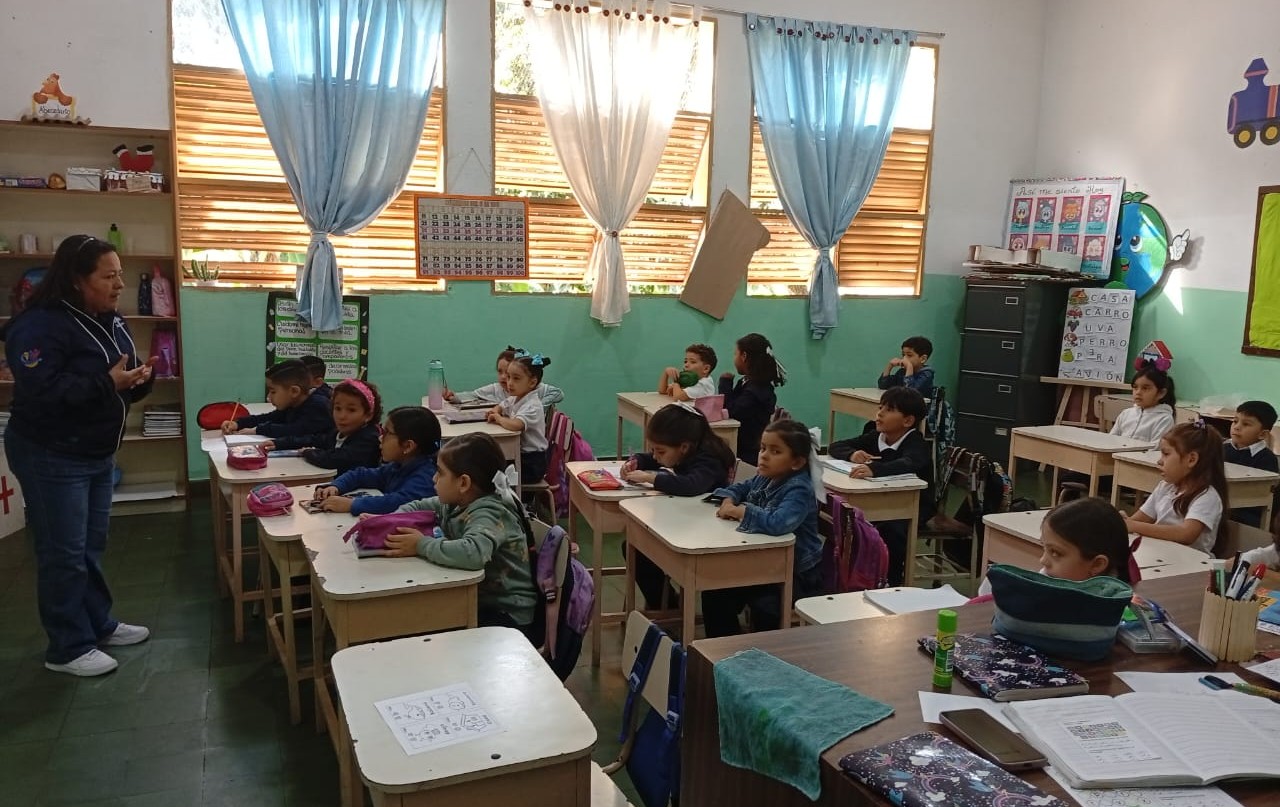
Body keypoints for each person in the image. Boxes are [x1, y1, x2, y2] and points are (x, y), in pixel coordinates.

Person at [0, 234, 155, 676]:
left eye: (120, 275)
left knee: (89, 546)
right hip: (51, 454)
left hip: (96, 452)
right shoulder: (38, 326)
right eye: (108, 276)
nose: (119, 284)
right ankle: (67, 648)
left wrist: (138, 380)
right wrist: (110, 384)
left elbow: (117, 376)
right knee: (62, 553)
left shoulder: (110, 318)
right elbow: (44, 392)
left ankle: (97, 625)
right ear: (75, 279)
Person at [384, 433, 539, 636]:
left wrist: (421, 545)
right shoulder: (456, 502)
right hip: (478, 599)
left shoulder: (489, 512)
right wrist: (388, 522)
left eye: (440, 473)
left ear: (463, 483)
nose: (434, 478)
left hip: (507, 615)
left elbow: (473, 553)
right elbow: (416, 507)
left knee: (423, 625)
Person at [701, 419, 823, 637]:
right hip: (763, 565)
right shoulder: (765, 477)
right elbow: (739, 488)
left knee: (765, 606)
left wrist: (740, 511)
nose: (764, 456)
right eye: (763, 448)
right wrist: (728, 500)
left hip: (795, 574)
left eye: (775, 451)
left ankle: (764, 650)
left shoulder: (799, 489)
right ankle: (724, 649)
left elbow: (778, 523)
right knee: (714, 591)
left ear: (796, 462)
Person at [621, 403, 736, 608]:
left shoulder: (709, 459)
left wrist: (650, 478)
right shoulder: (686, 449)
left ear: (684, 447)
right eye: (653, 450)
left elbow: (691, 485)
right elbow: (657, 460)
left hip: (708, 533)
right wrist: (637, 461)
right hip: (687, 523)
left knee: (639, 548)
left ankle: (665, 607)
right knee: (634, 545)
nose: (655, 456)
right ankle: (664, 605)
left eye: (660, 451)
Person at [828, 387, 933, 586]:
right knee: (849, 522)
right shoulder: (876, 436)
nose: (880, 413)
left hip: (913, 506)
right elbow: (836, 446)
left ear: (907, 421)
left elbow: (909, 462)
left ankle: (890, 581)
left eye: (889, 410)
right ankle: (851, 575)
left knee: (891, 531)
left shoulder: (916, 443)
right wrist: (852, 454)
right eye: (880, 407)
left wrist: (875, 469)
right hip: (880, 499)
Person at [974, 497, 1137, 600]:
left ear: (1097, 564)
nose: (1043, 560)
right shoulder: (1051, 580)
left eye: (1056, 553)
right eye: (1044, 548)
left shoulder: (1112, 609)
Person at [1060, 361, 1177, 501]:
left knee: (1082, 478)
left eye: (1146, 388)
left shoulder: (1164, 419)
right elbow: (1110, 441)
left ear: (1161, 393)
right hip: (1113, 468)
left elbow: (1155, 450)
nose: (1138, 392)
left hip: (1136, 473)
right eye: (1135, 387)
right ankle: (1069, 512)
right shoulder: (1126, 413)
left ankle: (1084, 511)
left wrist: (1124, 457)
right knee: (1069, 476)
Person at [1124, 421, 1228, 555]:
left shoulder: (1207, 496)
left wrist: (1133, 526)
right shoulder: (1165, 487)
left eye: (1166, 454)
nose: (1159, 461)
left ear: (1191, 459)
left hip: (1191, 563)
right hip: (1161, 556)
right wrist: (1121, 522)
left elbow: (1186, 534)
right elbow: (1138, 520)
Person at [313, 406, 440, 515]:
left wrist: (352, 504)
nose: (380, 438)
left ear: (408, 446)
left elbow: (399, 503)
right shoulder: (398, 466)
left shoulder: (426, 476)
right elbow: (361, 475)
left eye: (386, 433)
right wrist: (336, 486)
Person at [261, 379, 382, 473]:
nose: (342, 416)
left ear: (368, 415)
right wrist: (279, 443)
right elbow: (316, 439)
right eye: (338, 408)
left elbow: (335, 459)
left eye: (351, 410)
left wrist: (308, 452)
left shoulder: (369, 438)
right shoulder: (338, 433)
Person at [220, 359, 332, 438]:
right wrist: (238, 423)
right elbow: (270, 417)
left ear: (294, 391)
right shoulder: (293, 403)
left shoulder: (318, 406)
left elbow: (294, 431)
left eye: (273, 391)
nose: (269, 397)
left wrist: (257, 430)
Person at [719, 333, 785, 464]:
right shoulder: (748, 382)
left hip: (748, 453)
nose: (734, 358)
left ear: (744, 356)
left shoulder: (756, 390)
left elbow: (732, 411)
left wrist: (725, 384)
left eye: (735, 354)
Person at [488, 350, 552, 485]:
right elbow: (501, 405)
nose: (509, 383)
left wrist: (498, 418)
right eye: (509, 377)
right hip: (521, 456)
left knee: (491, 475)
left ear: (532, 382)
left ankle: (513, 497)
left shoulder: (532, 405)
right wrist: (495, 411)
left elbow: (516, 425)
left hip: (532, 464)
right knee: (489, 465)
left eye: (516, 378)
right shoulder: (516, 398)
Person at [446, 345, 564, 407]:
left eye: (508, 374)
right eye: (499, 372)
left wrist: (538, 406)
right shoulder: (497, 388)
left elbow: (558, 394)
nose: (503, 377)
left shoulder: (535, 389)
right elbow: (474, 395)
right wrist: (453, 397)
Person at [1223, 400, 1279, 528]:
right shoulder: (1223, 448)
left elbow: (1263, 496)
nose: (1237, 427)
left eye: (1246, 424)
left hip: (1249, 512)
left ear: (1262, 434)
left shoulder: (1267, 459)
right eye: (1235, 421)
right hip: (1224, 503)